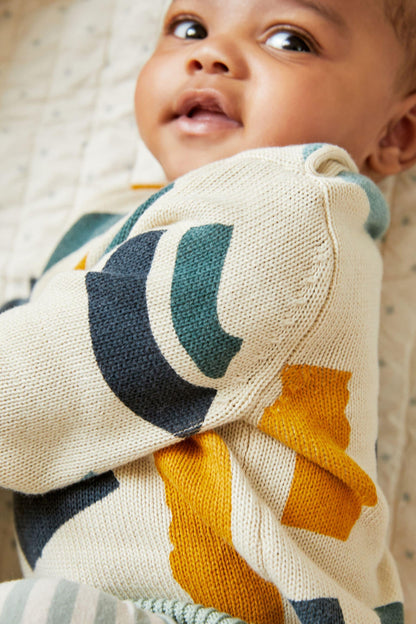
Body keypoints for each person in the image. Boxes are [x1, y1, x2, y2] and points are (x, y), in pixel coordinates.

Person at [1, 0, 416, 622]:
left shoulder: (293, 214)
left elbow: (46, 376)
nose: (209, 54)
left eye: (290, 40)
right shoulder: (119, 218)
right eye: (189, 28)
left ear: (395, 134)